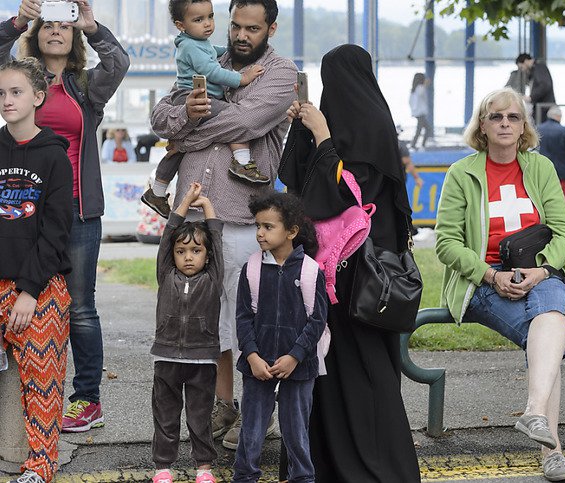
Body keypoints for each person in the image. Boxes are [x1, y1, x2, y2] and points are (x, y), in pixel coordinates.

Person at [150, 0, 296, 449]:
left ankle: (260, 408)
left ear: (271, 28)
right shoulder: (202, 55)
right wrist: (183, 118)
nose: (239, 35)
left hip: (241, 217)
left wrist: (186, 129)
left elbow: (244, 119)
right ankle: (223, 404)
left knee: (248, 316)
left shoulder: (281, 73)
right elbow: (160, 116)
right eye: (234, 25)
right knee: (203, 318)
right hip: (192, 212)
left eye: (251, 28)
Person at [280, 44, 421, 483]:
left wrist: (322, 136)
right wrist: (303, 131)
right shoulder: (345, 122)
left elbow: (338, 194)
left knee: (363, 372)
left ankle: (379, 468)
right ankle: (325, 465)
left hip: (360, 276)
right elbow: (299, 185)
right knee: (325, 371)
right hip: (335, 272)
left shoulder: (370, 125)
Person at [0, 0, 131, 433]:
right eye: (46, 25)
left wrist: (93, 27)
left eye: (65, 25)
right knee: (25, 300)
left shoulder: (85, 87)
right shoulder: (18, 83)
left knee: (80, 308)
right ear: (35, 35)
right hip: (23, 211)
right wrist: (16, 21)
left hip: (76, 210)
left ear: (73, 36)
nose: (56, 30)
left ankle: (87, 399)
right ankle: (27, 391)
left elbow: (119, 62)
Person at [435, 87, 565, 482]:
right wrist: (491, 275)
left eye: (513, 117)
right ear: (482, 125)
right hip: (482, 276)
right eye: (495, 117)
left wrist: (544, 269)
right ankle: (553, 454)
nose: (504, 123)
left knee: (549, 319)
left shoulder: (540, 168)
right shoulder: (462, 173)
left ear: (523, 127)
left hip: (538, 268)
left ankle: (534, 414)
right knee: (549, 337)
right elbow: (446, 243)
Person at [0, 57, 73, 483]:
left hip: (39, 285)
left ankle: (39, 466)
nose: (7, 100)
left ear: (37, 97)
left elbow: (55, 232)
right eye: (1, 93)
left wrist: (28, 290)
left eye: (16, 92)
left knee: (42, 378)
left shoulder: (53, 158)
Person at [141, 0, 266, 219]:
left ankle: (158, 190)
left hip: (195, 96)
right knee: (232, 117)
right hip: (194, 96)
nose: (207, 24)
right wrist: (242, 78)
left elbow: (215, 52)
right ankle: (243, 161)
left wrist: (230, 51)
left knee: (179, 149)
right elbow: (212, 72)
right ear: (181, 25)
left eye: (210, 17)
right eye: (198, 20)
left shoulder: (199, 42)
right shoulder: (190, 46)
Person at [233, 192, 326, 483]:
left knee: (296, 429)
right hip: (257, 364)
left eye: (268, 227)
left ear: (292, 231)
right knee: (251, 428)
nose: (260, 233)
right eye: (258, 226)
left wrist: (295, 356)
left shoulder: (311, 270)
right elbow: (243, 317)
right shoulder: (252, 268)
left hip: (299, 366)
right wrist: (251, 355)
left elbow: (318, 321)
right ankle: (245, 476)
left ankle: (302, 478)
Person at [151, 182, 223, 483]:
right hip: (166, 356)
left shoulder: (213, 279)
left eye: (196, 251)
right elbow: (168, 237)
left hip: (202, 360)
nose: (188, 257)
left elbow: (216, 239)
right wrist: (184, 204)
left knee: (199, 416)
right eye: (182, 252)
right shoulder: (166, 274)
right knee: (166, 416)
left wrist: (207, 207)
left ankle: (203, 466)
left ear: (207, 256)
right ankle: (163, 467)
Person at [537, 105, 565, 198]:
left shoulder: (539, 129)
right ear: (559, 117)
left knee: (545, 198)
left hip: (543, 170)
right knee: (561, 199)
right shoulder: (564, 131)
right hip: (562, 171)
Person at [506, 53, 555, 124]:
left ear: (525, 61)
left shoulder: (539, 68)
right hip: (541, 107)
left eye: (522, 67)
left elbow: (545, 85)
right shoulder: (535, 70)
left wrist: (531, 97)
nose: (522, 70)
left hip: (544, 107)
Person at [409, 72, 431, 150]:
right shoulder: (420, 88)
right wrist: (426, 83)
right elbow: (421, 93)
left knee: (421, 129)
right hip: (420, 113)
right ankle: (420, 145)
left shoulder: (414, 89)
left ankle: (415, 144)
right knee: (427, 129)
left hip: (417, 112)